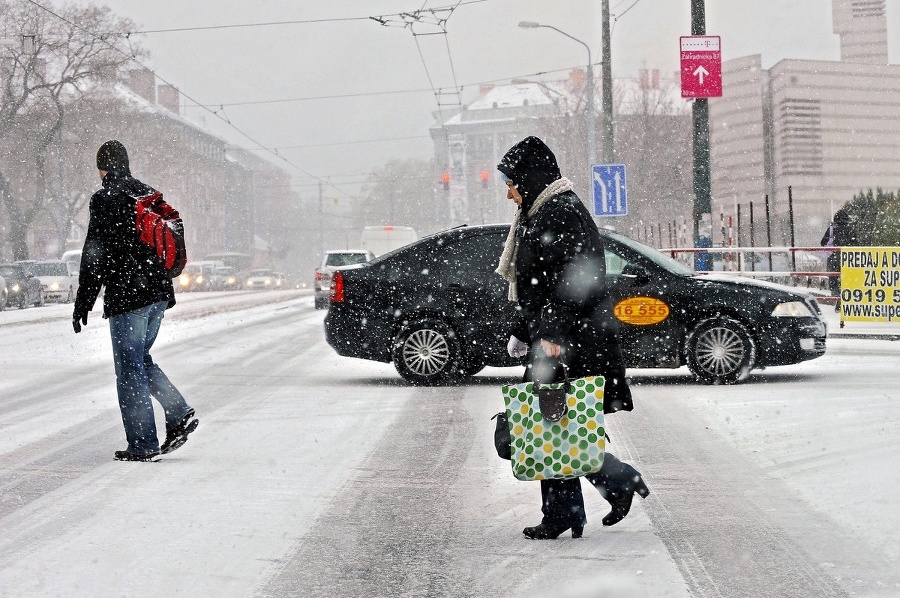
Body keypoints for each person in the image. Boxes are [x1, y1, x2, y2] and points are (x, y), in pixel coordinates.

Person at [496, 136, 649, 540]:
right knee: (555, 426)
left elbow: (573, 283)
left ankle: (574, 507)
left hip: (570, 341)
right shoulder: (541, 212)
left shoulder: (559, 214)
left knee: (553, 427)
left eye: (512, 182)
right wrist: (521, 329)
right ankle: (601, 491)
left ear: (530, 178)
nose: (509, 193)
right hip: (560, 337)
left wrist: (549, 337)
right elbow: (536, 284)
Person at [72, 140, 198, 462]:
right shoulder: (146, 194)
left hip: (130, 295)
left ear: (103, 167)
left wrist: (83, 300)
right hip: (158, 293)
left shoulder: (105, 198)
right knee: (139, 361)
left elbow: (95, 252)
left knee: (129, 370)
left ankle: (143, 444)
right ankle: (178, 412)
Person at [820, 208, 856, 306]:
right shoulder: (850, 229)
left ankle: (836, 298)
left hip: (833, 257)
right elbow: (855, 244)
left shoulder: (831, 229)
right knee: (846, 278)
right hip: (847, 258)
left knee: (833, 277)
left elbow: (823, 242)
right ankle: (845, 299)